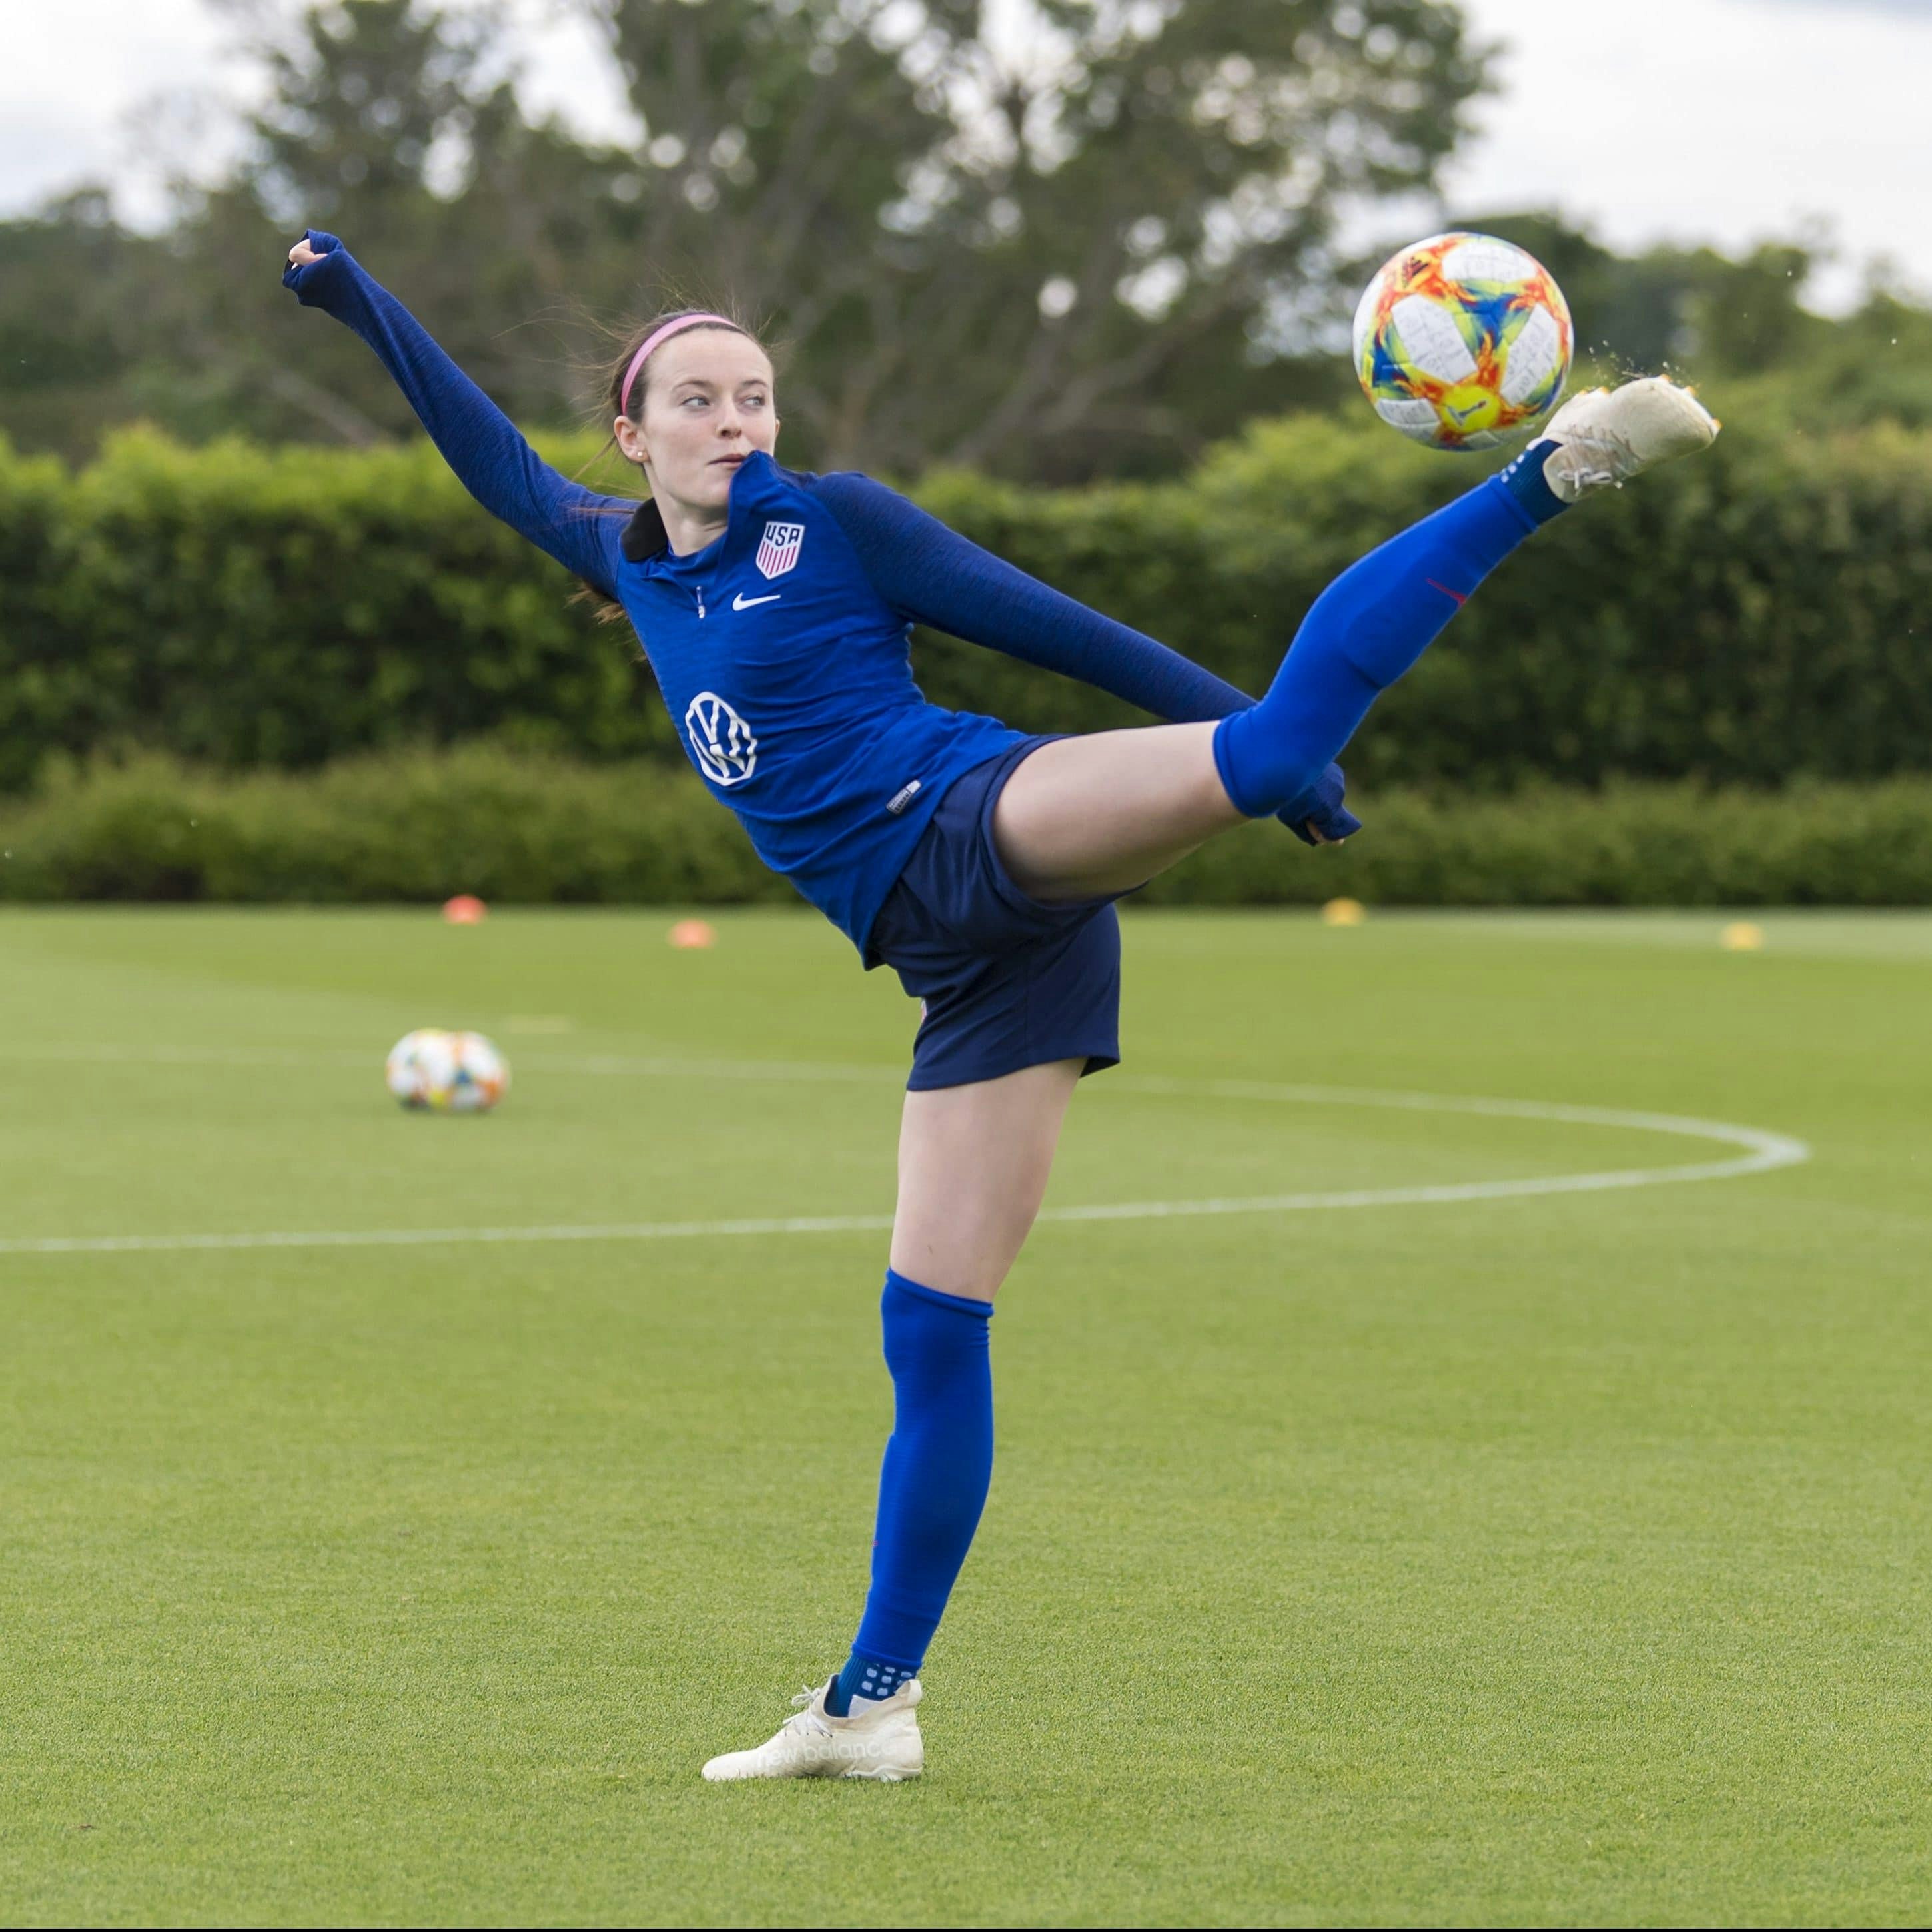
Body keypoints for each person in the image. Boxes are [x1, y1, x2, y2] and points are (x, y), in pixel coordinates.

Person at [284, 230, 1717, 1782]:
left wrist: (1250, 743)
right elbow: (489, 459)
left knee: (1265, 747)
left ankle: (1553, 471)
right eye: (697, 401)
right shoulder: (619, 552)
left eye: (755, 399)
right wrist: (359, 299)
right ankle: (871, 1710)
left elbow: (1064, 635)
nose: (735, 424)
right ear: (632, 435)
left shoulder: (836, 524)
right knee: (931, 1324)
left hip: (973, 816)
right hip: (965, 960)